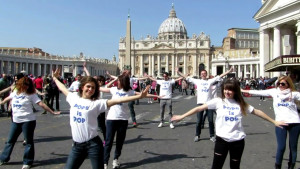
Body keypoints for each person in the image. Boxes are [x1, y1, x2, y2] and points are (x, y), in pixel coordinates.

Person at [171, 79, 287, 169]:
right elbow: (199, 108)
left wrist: (274, 121)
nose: (227, 92)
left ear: (235, 91)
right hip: (222, 140)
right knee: (216, 167)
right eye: (225, 89)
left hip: (238, 142)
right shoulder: (218, 101)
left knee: (235, 167)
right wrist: (182, 116)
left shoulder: (241, 104)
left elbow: (257, 112)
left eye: (230, 90)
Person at [51, 69, 150, 169]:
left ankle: (112, 160)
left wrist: (139, 96)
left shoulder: (97, 103)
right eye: (88, 86)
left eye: (93, 88)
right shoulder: (73, 98)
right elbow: (63, 88)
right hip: (76, 146)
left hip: (93, 145)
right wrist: (55, 78)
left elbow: (119, 100)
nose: (90, 89)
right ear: (82, 87)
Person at [0, 77, 60, 169]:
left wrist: (52, 112)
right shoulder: (15, 92)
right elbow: (6, 99)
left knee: (28, 142)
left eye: (27, 85)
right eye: (24, 84)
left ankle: (27, 161)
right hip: (16, 121)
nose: (26, 87)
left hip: (28, 121)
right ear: (20, 84)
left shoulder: (31, 94)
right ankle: (3, 158)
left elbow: (41, 104)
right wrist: (2, 102)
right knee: (10, 141)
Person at [241, 75, 300, 169]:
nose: (280, 85)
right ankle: (278, 166)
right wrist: (243, 91)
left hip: (295, 122)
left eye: (283, 84)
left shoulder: (294, 94)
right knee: (281, 147)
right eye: (278, 83)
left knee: (293, 147)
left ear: (288, 84)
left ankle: (291, 166)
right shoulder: (274, 91)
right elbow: (259, 92)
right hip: (280, 122)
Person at [100, 74, 158, 169]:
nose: (117, 82)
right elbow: (101, 89)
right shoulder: (114, 89)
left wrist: (157, 96)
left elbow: (143, 95)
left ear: (123, 82)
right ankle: (105, 162)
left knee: (120, 141)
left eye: (118, 81)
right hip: (111, 119)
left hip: (123, 120)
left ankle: (115, 159)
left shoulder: (130, 92)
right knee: (108, 141)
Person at [177, 67, 233, 142]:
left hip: (209, 104)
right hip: (200, 103)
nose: (203, 75)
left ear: (206, 75)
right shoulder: (197, 81)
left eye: (204, 74)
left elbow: (220, 76)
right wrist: (178, 72)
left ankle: (212, 136)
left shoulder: (210, 81)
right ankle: (197, 135)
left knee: (210, 121)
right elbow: (186, 77)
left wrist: (228, 71)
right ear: (200, 75)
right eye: (202, 74)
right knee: (199, 121)